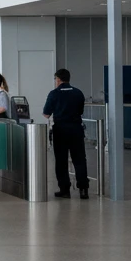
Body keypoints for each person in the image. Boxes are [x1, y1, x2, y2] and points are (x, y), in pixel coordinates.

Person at [43, 68, 89, 199]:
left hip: (60, 130)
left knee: (61, 161)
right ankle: (83, 189)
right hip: (76, 129)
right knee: (79, 159)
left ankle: (64, 189)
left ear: (58, 79)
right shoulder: (78, 93)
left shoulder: (54, 94)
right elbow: (80, 111)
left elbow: (46, 114)